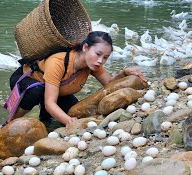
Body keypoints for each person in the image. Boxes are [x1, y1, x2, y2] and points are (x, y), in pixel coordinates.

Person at [8, 31, 147, 128]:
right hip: (29, 81)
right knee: (37, 92)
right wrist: (70, 122)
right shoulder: (57, 62)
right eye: (98, 54)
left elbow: (109, 84)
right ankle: (10, 123)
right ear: (86, 47)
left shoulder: (93, 65)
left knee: (73, 110)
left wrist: (124, 73)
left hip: (54, 89)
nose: (100, 61)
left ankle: (45, 125)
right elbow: (50, 103)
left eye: (105, 57)